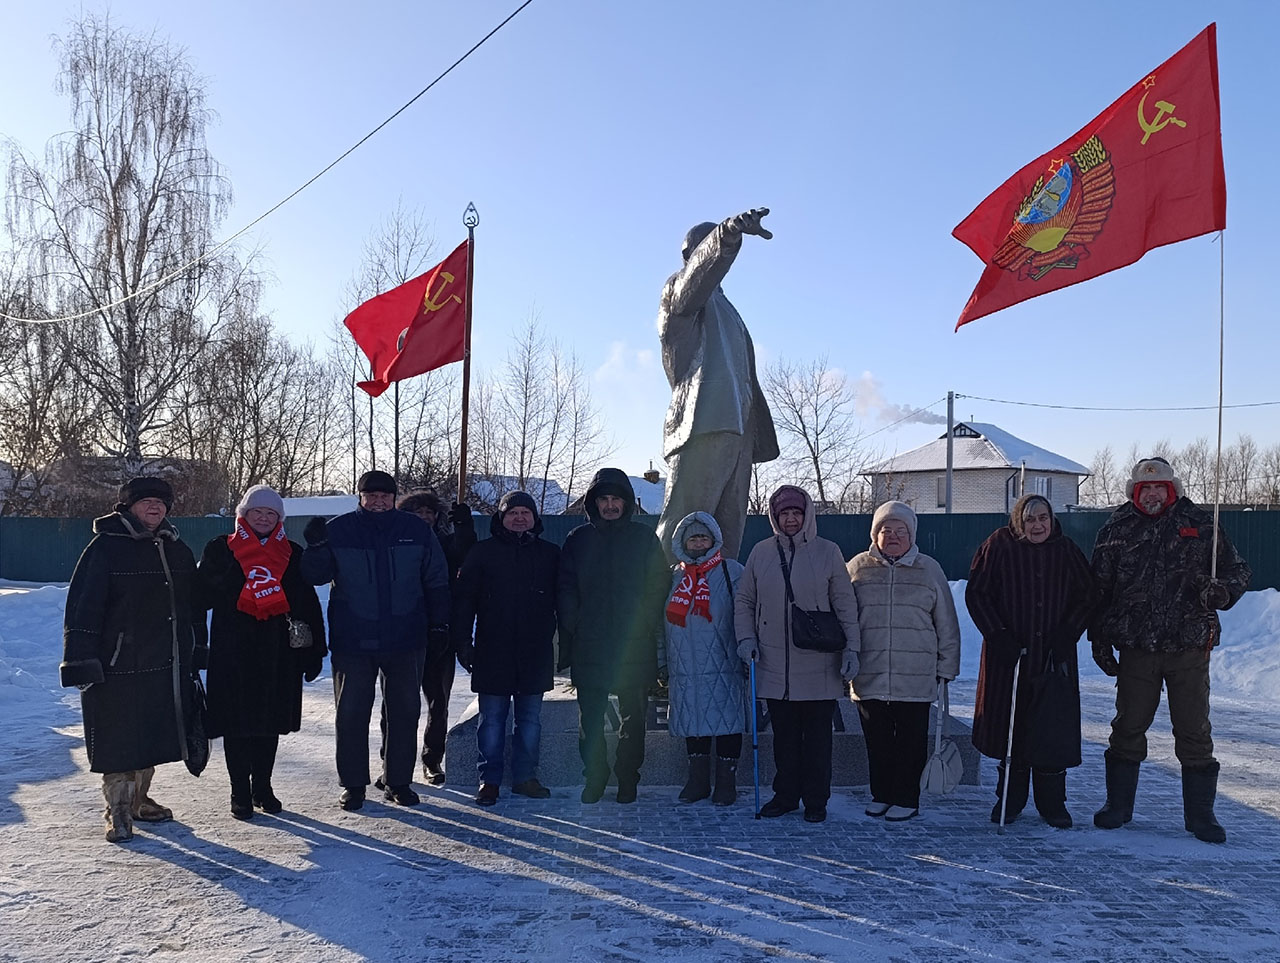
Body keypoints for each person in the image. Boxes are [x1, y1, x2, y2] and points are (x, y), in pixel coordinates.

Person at [1089, 457, 1250, 843]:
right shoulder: (1117, 527)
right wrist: (1099, 636)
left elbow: (1238, 570)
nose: (1155, 493)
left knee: (1194, 730)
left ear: (1172, 489)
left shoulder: (1201, 522)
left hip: (1190, 644)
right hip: (1137, 646)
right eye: (1147, 488)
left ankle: (1201, 817)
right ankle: (1118, 807)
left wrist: (1223, 592)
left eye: (1161, 487)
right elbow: (1098, 589)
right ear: (1135, 491)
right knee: (1128, 726)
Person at [60, 477, 207, 843]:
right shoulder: (105, 548)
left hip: (164, 663)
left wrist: (196, 648)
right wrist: (81, 659)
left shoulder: (177, 549)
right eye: (146, 502)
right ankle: (118, 810)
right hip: (118, 665)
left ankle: (140, 800)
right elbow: (83, 608)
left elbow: (193, 609)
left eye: (161, 503)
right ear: (127, 506)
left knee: (153, 735)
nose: (155, 508)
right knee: (119, 738)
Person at [300, 470, 450, 811]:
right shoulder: (338, 530)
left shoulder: (416, 531)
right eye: (372, 495)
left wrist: (440, 625)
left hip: (406, 637)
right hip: (354, 639)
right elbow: (315, 575)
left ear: (394, 498)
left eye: (385, 495)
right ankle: (353, 784)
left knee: (404, 712)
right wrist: (317, 547)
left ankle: (398, 781)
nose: (378, 501)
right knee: (350, 713)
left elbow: (437, 581)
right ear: (360, 496)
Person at [654, 208, 780, 562]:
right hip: (703, 425)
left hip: (741, 430)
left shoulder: (728, 308)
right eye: (707, 246)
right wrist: (726, 235)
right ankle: (659, 602)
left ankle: (724, 604)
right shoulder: (679, 292)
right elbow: (697, 278)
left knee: (728, 534)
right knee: (683, 525)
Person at [196, 485, 326, 819]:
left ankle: (262, 788)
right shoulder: (221, 549)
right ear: (244, 515)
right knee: (236, 726)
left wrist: (314, 651)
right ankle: (239, 791)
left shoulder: (292, 553)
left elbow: (307, 604)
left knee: (269, 725)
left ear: (279, 518)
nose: (264, 518)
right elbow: (201, 597)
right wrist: (232, 574)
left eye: (271, 513)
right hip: (233, 650)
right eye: (258, 512)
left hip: (277, 651)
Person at [966, 494, 1095, 828]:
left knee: (1051, 726)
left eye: (1043, 519)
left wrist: (1069, 631)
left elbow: (1088, 594)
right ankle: (1010, 797)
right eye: (1030, 519)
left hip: (1053, 658)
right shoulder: (998, 546)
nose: (1037, 525)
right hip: (1010, 658)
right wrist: (998, 634)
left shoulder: (1065, 550)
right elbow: (977, 593)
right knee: (1014, 725)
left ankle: (1052, 802)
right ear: (1018, 521)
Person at [733, 485, 859, 823]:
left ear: (807, 515)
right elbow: (744, 601)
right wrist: (746, 639)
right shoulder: (760, 553)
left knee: (818, 742)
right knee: (784, 741)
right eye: (784, 513)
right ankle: (785, 795)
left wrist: (852, 648)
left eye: (796, 512)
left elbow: (845, 603)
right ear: (775, 517)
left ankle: (816, 800)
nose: (790, 518)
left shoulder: (828, 552)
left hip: (818, 664)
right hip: (774, 665)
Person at [557, 467, 670, 804]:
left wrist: (645, 621)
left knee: (633, 719)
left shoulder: (643, 538)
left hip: (632, 644)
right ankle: (595, 776)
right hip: (590, 643)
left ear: (626, 503)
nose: (609, 505)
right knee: (589, 718)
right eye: (603, 499)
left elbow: (658, 583)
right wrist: (574, 622)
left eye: (615, 499)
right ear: (594, 503)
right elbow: (565, 587)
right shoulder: (578, 539)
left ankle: (627, 778)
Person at [848, 501, 961, 822]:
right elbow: (843, 616)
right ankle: (881, 794)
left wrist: (947, 665)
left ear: (912, 535)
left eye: (901, 531)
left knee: (910, 742)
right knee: (877, 741)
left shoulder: (929, 569)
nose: (894, 536)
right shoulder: (857, 568)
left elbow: (947, 623)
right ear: (875, 534)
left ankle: (907, 797)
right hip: (869, 672)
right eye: (887, 530)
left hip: (916, 674)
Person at [451, 491, 559, 806]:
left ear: (535, 518)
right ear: (502, 517)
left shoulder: (550, 554)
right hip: (492, 650)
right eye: (513, 512)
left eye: (526, 512)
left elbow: (565, 600)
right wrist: (463, 642)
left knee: (529, 720)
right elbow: (464, 602)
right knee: (492, 719)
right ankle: (489, 779)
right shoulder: (482, 554)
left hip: (534, 651)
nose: (519, 518)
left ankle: (526, 777)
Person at [389, 489, 476, 785]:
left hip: (441, 632)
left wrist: (464, 527)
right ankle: (391, 760)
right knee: (397, 701)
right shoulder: (395, 542)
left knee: (438, 700)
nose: (425, 518)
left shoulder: (446, 543)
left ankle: (432, 758)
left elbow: (465, 552)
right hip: (401, 632)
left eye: (430, 513)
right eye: (419, 513)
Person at [662, 511, 747, 805]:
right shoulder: (674, 576)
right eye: (693, 538)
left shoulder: (731, 571)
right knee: (693, 719)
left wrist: (746, 648)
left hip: (724, 663)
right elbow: (659, 623)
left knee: (727, 721)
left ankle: (726, 781)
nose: (698, 543)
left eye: (703, 537)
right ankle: (697, 781)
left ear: (714, 540)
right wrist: (663, 659)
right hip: (685, 664)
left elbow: (746, 612)